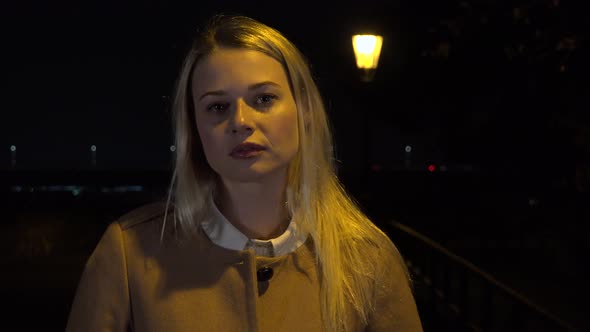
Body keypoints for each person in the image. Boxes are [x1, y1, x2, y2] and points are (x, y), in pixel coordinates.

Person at [65, 14, 424, 332]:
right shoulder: (130, 253)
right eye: (217, 106)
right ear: (194, 128)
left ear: (305, 111)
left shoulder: (367, 259)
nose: (240, 121)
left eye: (263, 99)